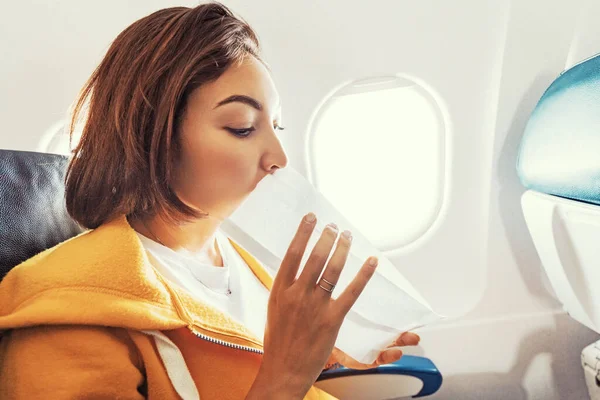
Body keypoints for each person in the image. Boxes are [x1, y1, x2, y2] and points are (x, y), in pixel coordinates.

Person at [0, 2, 420, 399]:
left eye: (277, 126)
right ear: (153, 136)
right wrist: (285, 377)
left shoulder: (243, 265)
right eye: (242, 127)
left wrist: (327, 357)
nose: (279, 159)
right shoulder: (68, 307)